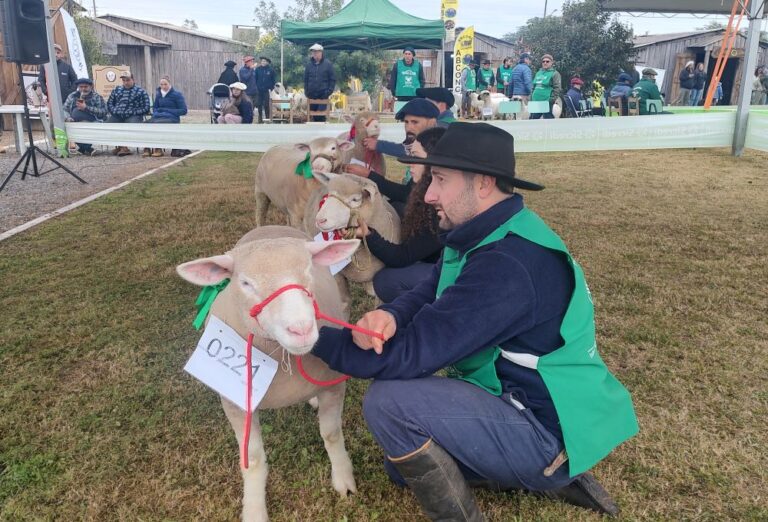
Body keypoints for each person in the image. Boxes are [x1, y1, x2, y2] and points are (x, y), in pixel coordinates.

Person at [311, 122, 639, 521]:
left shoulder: (506, 264)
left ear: (483, 184)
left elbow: (415, 354)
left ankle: (532, 479)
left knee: (390, 404)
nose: (428, 194)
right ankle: (525, 472)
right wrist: (390, 313)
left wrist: (308, 336)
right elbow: (432, 288)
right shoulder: (491, 231)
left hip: (546, 433)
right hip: (522, 405)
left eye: (441, 180)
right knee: (401, 469)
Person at [347, 127, 446, 302]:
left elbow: (402, 257)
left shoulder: (438, 206)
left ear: (435, 161)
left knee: (385, 281)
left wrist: (369, 235)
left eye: (416, 157)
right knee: (398, 207)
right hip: (434, 258)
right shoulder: (426, 186)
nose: (410, 163)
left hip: (451, 270)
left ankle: (429, 307)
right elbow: (404, 195)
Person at [106, 72, 151, 156]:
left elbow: (146, 108)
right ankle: (122, 146)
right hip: (118, 115)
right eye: (123, 80)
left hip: (133, 115)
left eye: (128, 80)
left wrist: (132, 112)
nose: (125, 82)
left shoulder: (141, 91)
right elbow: (109, 104)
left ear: (133, 80)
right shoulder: (116, 90)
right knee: (108, 125)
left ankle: (125, 147)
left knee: (132, 125)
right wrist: (114, 111)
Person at [145, 75, 188, 157]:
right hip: (158, 117)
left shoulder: (177, 95)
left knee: (156, 125)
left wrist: (166, 111)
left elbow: (183, 110)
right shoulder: (158, 95)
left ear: (169, 84)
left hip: (172, 119)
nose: (163, 86)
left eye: (165, 84)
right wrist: (157, 113)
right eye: (161, 84)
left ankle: (158, 148)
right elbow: (155, 108)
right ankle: (147, 148)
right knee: (144, 124)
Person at [63, 78, 107, 156]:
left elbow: (103, 112)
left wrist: (86, 108)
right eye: (81, 87)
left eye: (86, 87)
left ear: (91, 87)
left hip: (92, 120)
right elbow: (64, 109)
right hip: (74, 121)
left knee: (76, 112)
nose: (83, 89)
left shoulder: (96, 97)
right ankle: (87, 148)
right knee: (68, 123)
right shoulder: (72, 96)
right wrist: (67, 117)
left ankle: (84, 148)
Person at [304, 43, 336, 122]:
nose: (315, 54)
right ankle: (313, 133)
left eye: (316, 52)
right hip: (311, 95)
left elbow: (333, 79)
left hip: (323, 95)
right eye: (313, 52)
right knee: (312, 116)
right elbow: (305, 79)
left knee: (320, 116)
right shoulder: (309, 65)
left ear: (321, 52)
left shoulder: (328, 64)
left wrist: (328, 92)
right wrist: (306, 92)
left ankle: (322, 132)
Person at [530, 54, 562, 119]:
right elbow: (534, 86)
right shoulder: (538, 73)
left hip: (546, 101)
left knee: (548, 120)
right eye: (543, 61)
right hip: (535, 100)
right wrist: (531, 97)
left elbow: (557, 88)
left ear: (551, 63)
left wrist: (551, 99)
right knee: (532, 119)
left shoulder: (555, 73)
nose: (545, 63)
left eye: (547, 61)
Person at [254, 56, 276, 123]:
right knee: (259, 105)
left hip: (267, 91)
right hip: (259, 90)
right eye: (262, 61)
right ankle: (260, 119)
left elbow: (273, 80)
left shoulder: (271, 70)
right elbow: (255, 79)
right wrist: (256, 87)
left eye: (264, 61)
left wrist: (271, 88)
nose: (263, 62)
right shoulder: (257, 69)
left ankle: (267, 119)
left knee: (267, 105)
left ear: (267, 62)